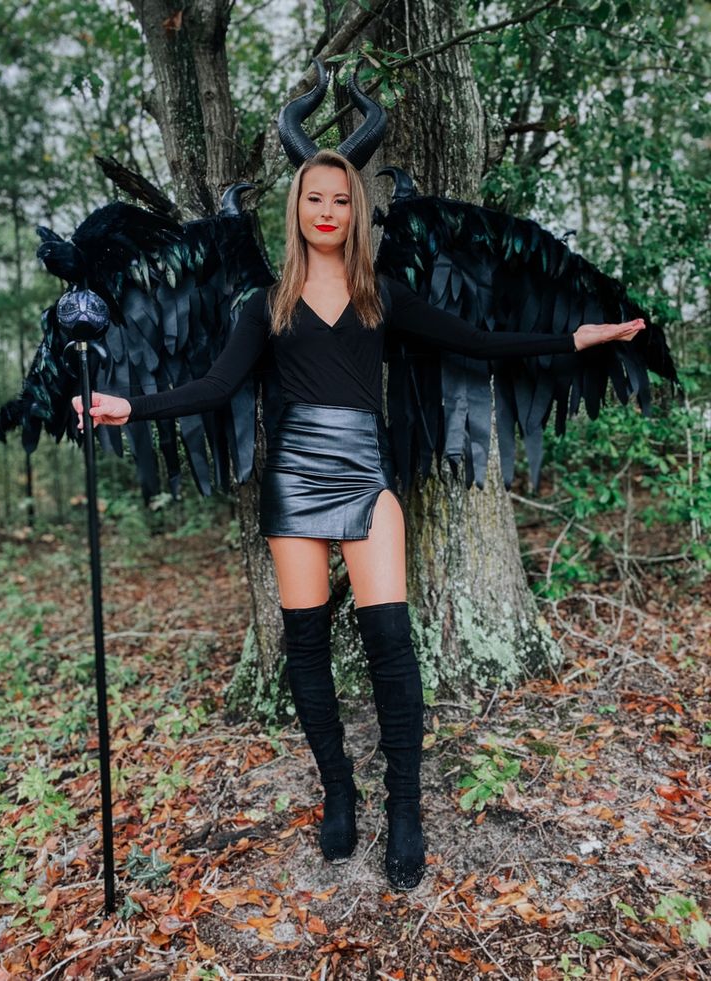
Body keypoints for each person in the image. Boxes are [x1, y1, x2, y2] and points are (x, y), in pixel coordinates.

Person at [72, 149, 644, 890]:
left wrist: (576, 338)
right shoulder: (267, 304)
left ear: (355, 212)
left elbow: (479, 342)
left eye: (341, 200)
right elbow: (215, 386)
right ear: (298, 209)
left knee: (391, 647)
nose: (328, 212)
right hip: (295, 481)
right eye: (315, 198)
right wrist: (129, 404)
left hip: (365, 476)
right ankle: (338, 790)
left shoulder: (383, 297)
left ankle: (405, 808)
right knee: (304, 647)